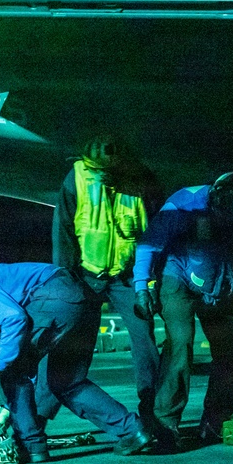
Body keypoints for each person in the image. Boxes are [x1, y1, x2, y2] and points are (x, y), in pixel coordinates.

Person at [0, 262, 152, 463]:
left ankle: (31, 447)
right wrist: (6, 409)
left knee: (11, 372)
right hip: (81, 300)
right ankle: (132, 430)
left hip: (54, 295)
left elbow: (15, 319)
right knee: (67, 382)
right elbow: (26, 358)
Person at [132, 172, 233, 451]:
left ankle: (215, 421)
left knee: (232, 349)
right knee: (180, 344)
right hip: (177, 278)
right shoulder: (184, 204)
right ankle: (165, 423)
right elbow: (148, 245)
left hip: (216, 281)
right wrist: (142, 288)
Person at [51, 134, 163, 430]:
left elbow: (155, 232)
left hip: (127, 277)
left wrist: (150, 282)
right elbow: (63, 232)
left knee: (145, 341)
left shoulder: (141, 181)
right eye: (95, 170)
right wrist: (64, 282)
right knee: (73, 345)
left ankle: (151, 414)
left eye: (105, 170)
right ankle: (35, 423)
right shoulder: (75, 178)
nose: (99, 175)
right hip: (86, 276)